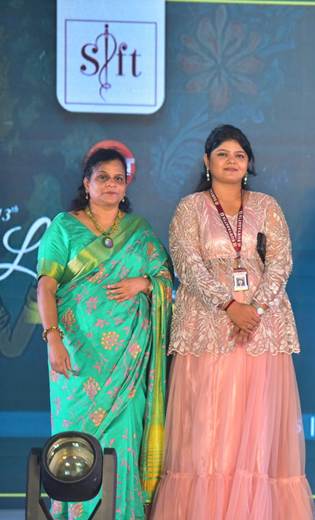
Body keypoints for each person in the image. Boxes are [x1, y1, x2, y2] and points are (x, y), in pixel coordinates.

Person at [150, 125, 314, 519]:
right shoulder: (190, 208)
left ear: (249, 163)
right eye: (222, 154)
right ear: (207, 161)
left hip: (261, 329)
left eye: (239, 155)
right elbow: (187, 265)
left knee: (255, 430)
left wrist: (254, 310)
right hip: (207, 327)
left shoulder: (267, 206)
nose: (231, 161)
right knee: (209, 429)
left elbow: (281, 263)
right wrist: (228, 306)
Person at [36, 147, 172, 519]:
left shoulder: (138, 231)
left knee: (123, 442)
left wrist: (144, 283)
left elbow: (165, 279)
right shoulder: (64, 227)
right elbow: (46, 286)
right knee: (76, 440)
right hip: (78, 354)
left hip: (128, 360)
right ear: (86, 183)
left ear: (126, 186)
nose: (111, 184)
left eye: (118, 178)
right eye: (102, 177)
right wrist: (53, 338)